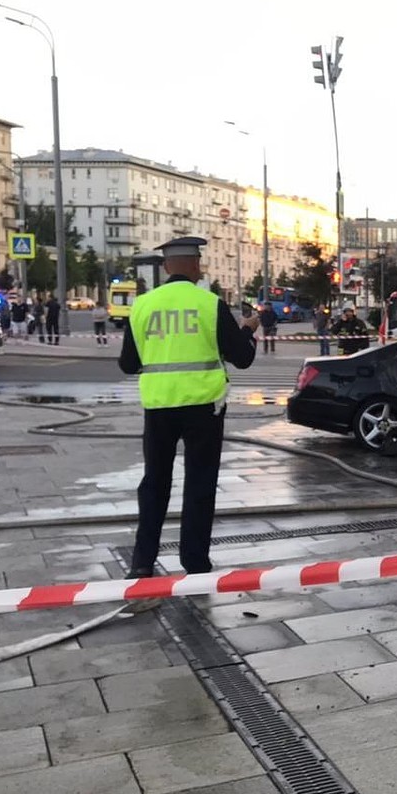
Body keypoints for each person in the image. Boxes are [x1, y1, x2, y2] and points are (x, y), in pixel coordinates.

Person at [118, 236, 259, 578]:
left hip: (159, 405)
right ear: (196, 266)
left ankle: (142, 562)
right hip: (203, 407)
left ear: (166, 267)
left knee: (155, 481)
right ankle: (194, 562)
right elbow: (242, 358)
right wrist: (248, 330)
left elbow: (127, 364)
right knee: (199, 482)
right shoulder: (210, 304)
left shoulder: (142, 306)